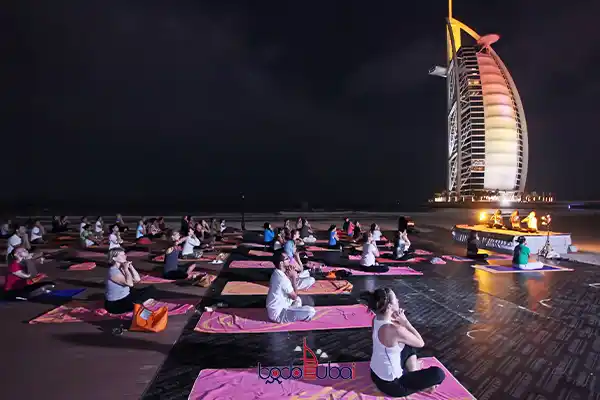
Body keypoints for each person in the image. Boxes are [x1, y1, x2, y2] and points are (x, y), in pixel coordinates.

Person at [362, 287, 445, 397]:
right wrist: (405, 322)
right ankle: (421, 385)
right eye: (396, 299)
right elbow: (421, 343)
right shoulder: (395, 330)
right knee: (438, 374)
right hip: (394, 386)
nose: (398, 301)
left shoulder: (376, 319)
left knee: (407, 346)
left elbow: (392, 336)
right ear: (390, 306)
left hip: (374, 375)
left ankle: (413, 373)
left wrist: (398, 321)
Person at [266, 253, 316, 323]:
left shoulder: (277, 272)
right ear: (281, 263)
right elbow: (294, 296)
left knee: (299, 300)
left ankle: (295, 311)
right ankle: (299, 314)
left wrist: (291, 276)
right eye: (287, 259)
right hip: (279, 314)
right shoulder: (282, 278)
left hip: (283, 306)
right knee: (311, 311)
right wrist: (293, 278)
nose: (289, 260)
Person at [104, 247, 153, 314]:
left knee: (151, 289)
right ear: (114, 258)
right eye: (121, 255)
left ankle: (140, 302)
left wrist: (131, 266)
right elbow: (130, 284)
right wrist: (126, 269)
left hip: (127, 295)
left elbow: (137, 279)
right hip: (115, 303)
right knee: (139, 309)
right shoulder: (113, 271)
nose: (125, 256)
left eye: (124, 254)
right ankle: (139, 303)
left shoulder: (122, 267)